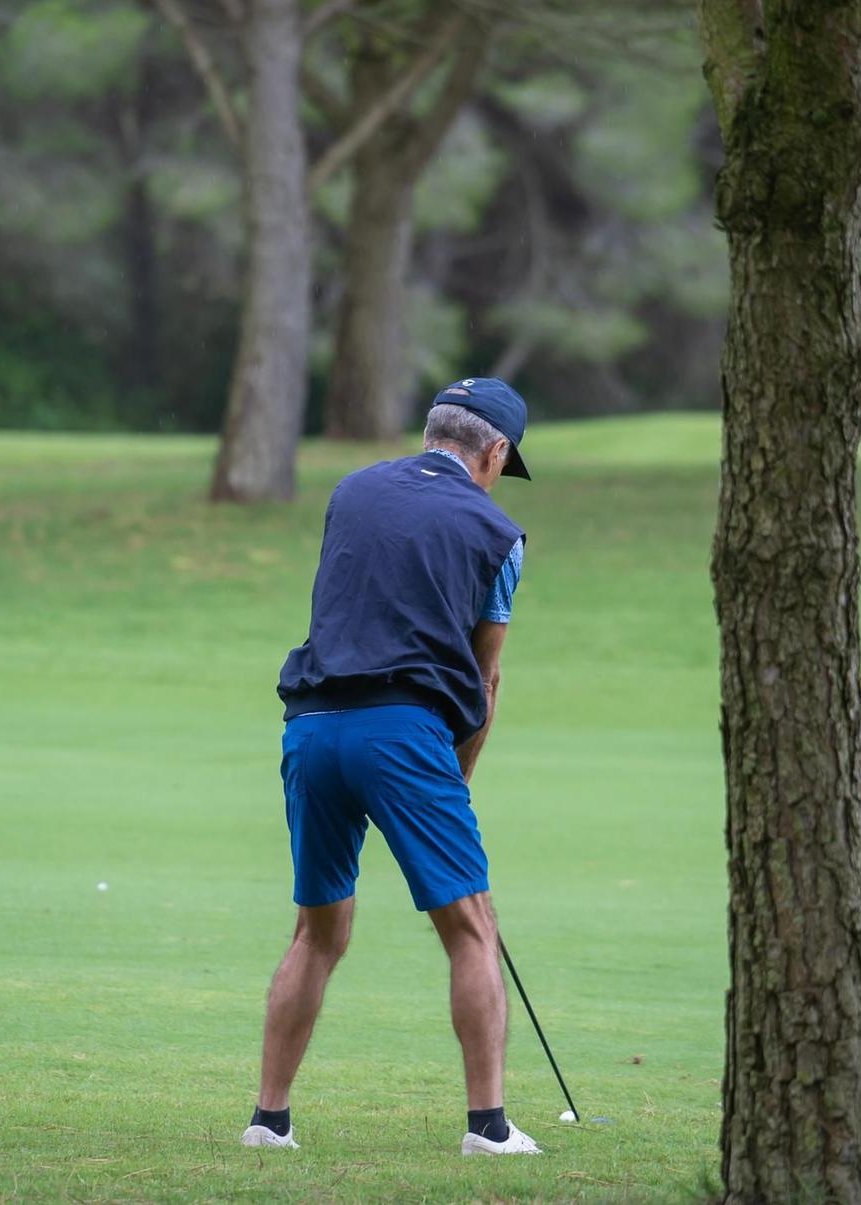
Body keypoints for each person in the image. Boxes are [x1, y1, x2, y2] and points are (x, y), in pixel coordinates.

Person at [240, 377, 541, 1158]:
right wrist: (457, 777)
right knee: (471, 926)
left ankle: (268, 1121)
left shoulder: (352, 490)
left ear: (433, 430)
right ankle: (489, 1128)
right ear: (496, 450)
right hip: (403, 735)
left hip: (310, 726)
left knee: (318, 930)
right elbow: (485, 681)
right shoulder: (499, 533)